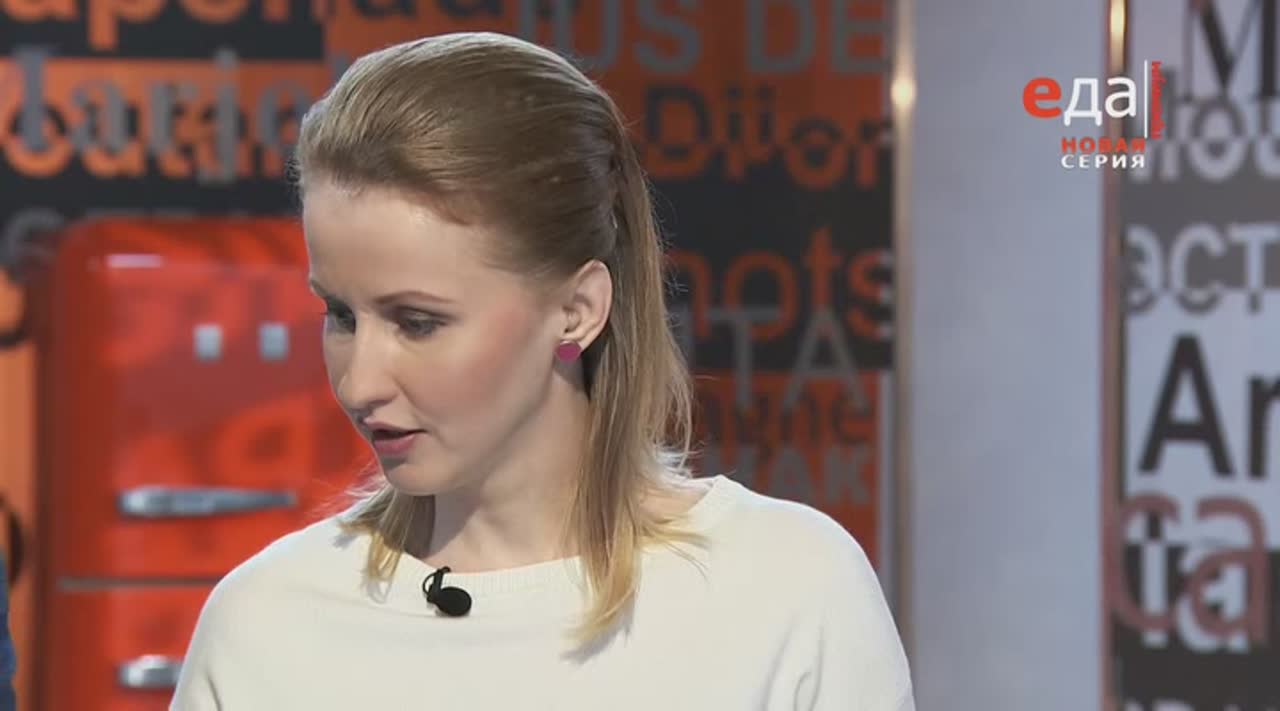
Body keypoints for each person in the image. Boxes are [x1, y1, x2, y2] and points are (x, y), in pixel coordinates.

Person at [170, 31, 914, 710]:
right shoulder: (266, 626)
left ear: (577, 309)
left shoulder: (788, 594)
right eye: (340, 315)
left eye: (419, 322)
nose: (360, 384)